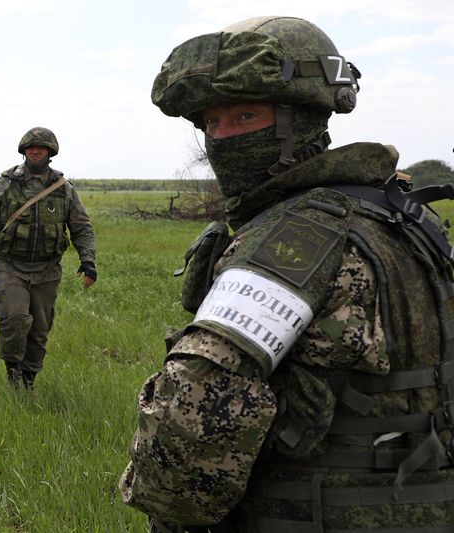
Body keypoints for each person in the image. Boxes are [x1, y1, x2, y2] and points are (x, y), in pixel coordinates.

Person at [119, 15, 454, 532]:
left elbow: (189, 437)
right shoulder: (408, 216)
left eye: (245, 115)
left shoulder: (290, 242)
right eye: (211, 122)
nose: (222, 136)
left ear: (300, 119)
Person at [0, 127, 97, 390]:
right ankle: (13, 372)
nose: (35, 151)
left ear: (50, 152)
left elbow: (82, 227)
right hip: (10, 266)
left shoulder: (64, 189)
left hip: (47, 270)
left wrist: (88, 261)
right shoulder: (6, 184)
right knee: (14, 318)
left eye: (41, 147)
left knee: (39, 330)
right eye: (30, 147)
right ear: (24, 151)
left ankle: (29, 381)